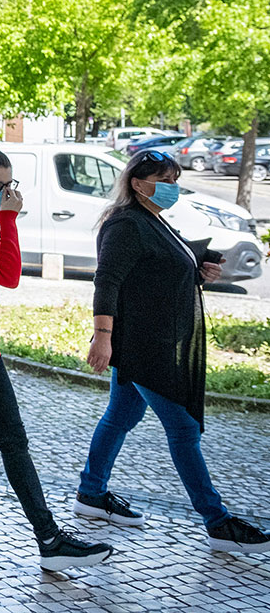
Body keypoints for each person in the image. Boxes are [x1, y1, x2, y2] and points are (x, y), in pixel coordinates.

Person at [75, 149, 270, 554]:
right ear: (137, 184)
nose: (172, 188)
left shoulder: (153, 219)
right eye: (164, 181)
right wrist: (102, 336)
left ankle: (91, 494)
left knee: (121, 416)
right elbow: (107, 281)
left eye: (175, 181)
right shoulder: (126, 223)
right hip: (144, 347)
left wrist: (197, 269)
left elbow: (154, 271)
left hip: (151, 341)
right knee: (183, 429)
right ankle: (217, 522)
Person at [0, 139, 113, 570]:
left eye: (8, 186)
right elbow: (10, 275)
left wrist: (1, 218)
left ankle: (49, 539)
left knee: (15, 444)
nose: (3, 193)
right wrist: (8, 219)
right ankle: (49, 538)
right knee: (4, 444)